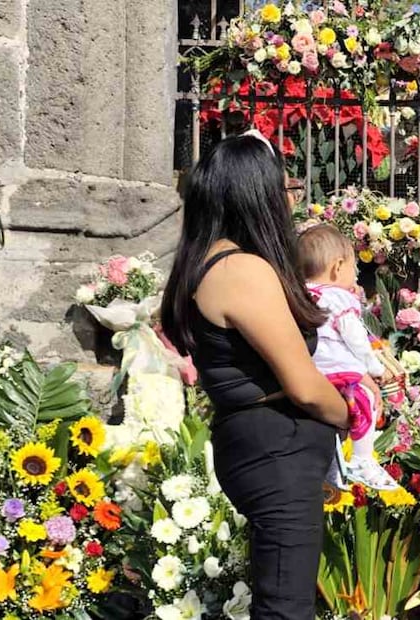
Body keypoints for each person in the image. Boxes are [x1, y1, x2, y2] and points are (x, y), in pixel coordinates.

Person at [160, 130, 377, 619]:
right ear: (256, 194)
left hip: (264, 444)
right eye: (284, 189)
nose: (289, 200)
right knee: (285, 608)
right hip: (276, 448)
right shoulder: (241, 269)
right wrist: (353, 411)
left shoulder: (207, 261)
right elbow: (303, 384)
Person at [298, 223, 400, 491]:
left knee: (326, 422)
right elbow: (355, 338)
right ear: (337, 267)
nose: (355, 276)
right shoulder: (338, 298)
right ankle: (362, 459)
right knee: (367, 402)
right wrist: (374, 368)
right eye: (353, 268)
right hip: (340, 369)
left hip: (311, 371)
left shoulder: (302, 295)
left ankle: (331, 469)